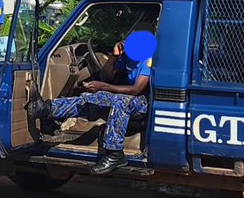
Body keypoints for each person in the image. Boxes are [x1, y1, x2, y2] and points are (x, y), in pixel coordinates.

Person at [29, 40, 152, 175]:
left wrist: (103, 86)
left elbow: (136, 90)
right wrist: (114, 56)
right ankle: (47, 109)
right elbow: (107, 76)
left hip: (143, 103)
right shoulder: (128, 58)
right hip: (126, 97)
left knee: (120, 100)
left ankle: (115, 154)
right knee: (93, 97)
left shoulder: (147, 61)